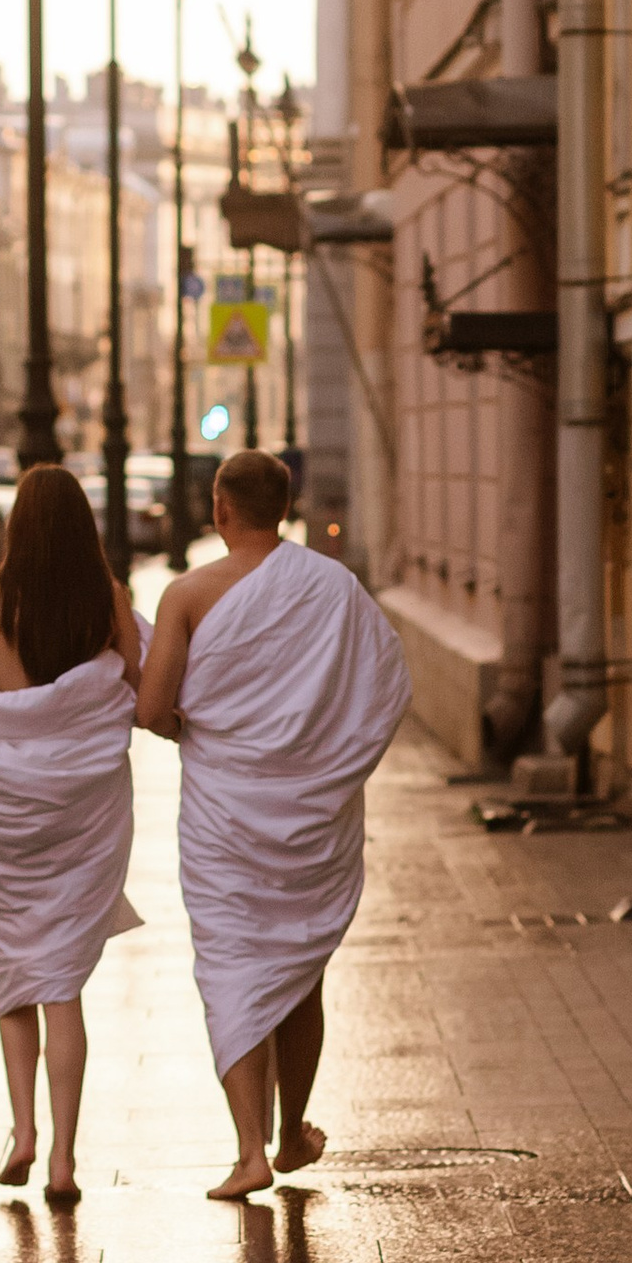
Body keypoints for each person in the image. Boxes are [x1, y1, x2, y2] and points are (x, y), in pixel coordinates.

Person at [136, 445, 410, 1200]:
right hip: (312, 814)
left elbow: (153, 709)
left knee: (233, 969)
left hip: (226, 815)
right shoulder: (334, 587)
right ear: (284, 509)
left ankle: (248, 1150)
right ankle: (292, 1134)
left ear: (219, 510)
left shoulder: (187, 595)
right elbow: (386, 687)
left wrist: (202, 727)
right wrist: (326, 761)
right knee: (299, 969)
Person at [0, 461, 145, 1205]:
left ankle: (20, 1133)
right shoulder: (107, 599)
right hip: (78, 816)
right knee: (63, 985)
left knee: (13, 973)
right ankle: (63, 1160)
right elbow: (138, 690)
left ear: (17, 526)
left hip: (4, 820)